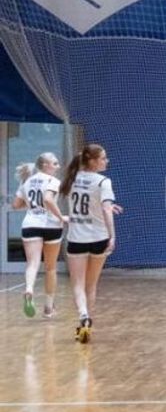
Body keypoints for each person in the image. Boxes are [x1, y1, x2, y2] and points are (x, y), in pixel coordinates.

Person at [58, 144, 117, 343]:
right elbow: (105, 209)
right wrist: (112, 235)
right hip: (99, 238)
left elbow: (87, 203)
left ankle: (83, 316)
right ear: (92, 161)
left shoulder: (72, 178)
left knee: (77, 284)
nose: (106, 161)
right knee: (91, 285)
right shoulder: (103, 182)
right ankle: (86, 328)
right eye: (103, 158)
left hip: (77, 239)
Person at [12, 154, 64, 319]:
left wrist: (32, 206)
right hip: (51, 225)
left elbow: (16, 205)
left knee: (32, 264)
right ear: (45, 165)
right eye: (55, 163)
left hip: (31, 224)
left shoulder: (26, 181)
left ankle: (29, 289)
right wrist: (61, 217)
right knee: (50, 268)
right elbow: (48, 199)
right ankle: (48, 308)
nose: (58, 166)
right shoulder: (53, 181)